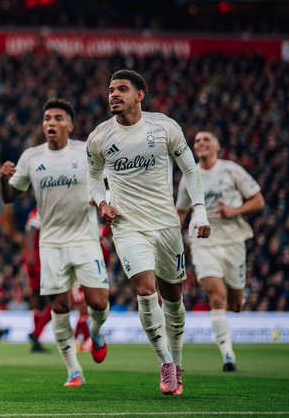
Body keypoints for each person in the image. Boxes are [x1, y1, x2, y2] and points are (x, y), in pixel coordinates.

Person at [87, 70, 210, 397]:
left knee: (173, 297)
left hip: (166, 224)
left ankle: (179, 359)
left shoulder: (165, 127)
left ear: (140, 95)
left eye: (122, 89)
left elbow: (191, 171)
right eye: (111, 89)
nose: (113, 94)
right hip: (127, 225)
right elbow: (92, 177)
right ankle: (165, 362)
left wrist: (199, 209)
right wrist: (102, 202)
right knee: (144, 290)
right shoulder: (99, 137)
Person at [1, 98, 111, 388]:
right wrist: (4, 180)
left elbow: (108, 183)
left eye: (57, 118)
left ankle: (96, 333)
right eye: (47, 118)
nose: (50, 123)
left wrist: (103, 202)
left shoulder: (86, 150)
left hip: (86, 239)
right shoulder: (31, 157)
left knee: (99, 303)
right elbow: (10, 197)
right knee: (60, 307)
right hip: (50, 244)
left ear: (69, 125)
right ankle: (74, 371)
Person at [175, 130, 265, 372]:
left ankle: (237, 298)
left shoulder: (231, 170)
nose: (201, 143)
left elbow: (258, 200)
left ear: (217, 147)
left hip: (234, 241)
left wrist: (234, 212)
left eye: (206, 140)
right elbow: (181, 211)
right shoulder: (189, 175)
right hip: (203, 242)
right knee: (215, 293)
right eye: (197, 141)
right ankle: (228, 355)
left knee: (235, 304)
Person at [23, 209, 52, 353]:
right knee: (55, 299)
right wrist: (31, 256)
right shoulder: (40, 211)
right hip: (40, 258)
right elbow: (32, 232)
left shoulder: (39, 211)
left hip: (41, 257)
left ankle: (36, 339)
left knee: (39, 299)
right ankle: (36, 334)